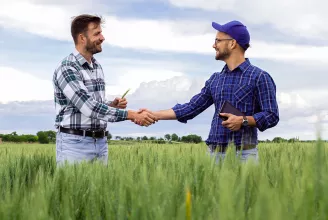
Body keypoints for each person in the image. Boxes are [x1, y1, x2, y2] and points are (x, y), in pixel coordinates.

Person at [135, 20, 279, 162]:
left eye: (218, 40)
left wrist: (243, 120)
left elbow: (271, 115)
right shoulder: (215, 79)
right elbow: (190, 108)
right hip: (213, 155)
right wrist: (153, 114)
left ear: (232, 43)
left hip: (244, 155)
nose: (214, 45)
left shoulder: (260, 77)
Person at [53, 14, 157, 166]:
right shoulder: (67, 68)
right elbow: (88, 107)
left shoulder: (97, 67)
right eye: (97, 34)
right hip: (74, 145)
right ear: (82, 38)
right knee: (74, 190)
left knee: (101, 190)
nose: (102, 38)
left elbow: (92, 105)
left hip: (101, 142)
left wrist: (111, 105)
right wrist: (131, 115)